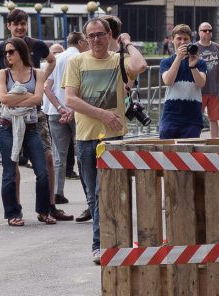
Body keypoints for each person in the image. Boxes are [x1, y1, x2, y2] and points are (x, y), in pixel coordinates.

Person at [64, 17, 147, 264]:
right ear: (85, 39)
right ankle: (109, 241)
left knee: (109, 192)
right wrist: (102, 114)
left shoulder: (118, 60)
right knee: (94, 196)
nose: (96, 40)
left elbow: (141, 65)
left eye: (100, 34)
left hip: (114, 139)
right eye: (91, 36)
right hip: (86, 137)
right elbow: (70, 99)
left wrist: (127, 43)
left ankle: (100, 244)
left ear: (109, 34)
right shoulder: (76, 61)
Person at [0, 8, 71, 221]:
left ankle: (48, 207)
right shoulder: (2, 50)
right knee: (12, 167)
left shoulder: (36, 45)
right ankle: (15, 210)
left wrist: (39, 81)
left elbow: (52, 61)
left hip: (34, 115)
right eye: (15, 23)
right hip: (10, 115)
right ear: (8, 26)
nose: (19, 27)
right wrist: (1, 81)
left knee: (47, 158)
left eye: (23, 23)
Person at [0, 37, 54, 226]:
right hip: (7, 126)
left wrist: (19, 97)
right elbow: (4, 99)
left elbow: (38, 99)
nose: (7, 55)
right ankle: (13, 213)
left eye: (11, 51)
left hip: (30, 127)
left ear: (21, 52)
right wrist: (25, 95)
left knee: (42, 171)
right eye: (6, 52)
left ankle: (43, 211)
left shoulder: (37, 73)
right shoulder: (3, 74)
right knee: (9, 172)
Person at [44, 32, 88, 208]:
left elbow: (47, 88)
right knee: (82, 153)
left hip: (56, 112)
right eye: (86, 41)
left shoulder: (55, 59)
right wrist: (71, 109)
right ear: (80, 42)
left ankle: (57, 192)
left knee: (58, 155)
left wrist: (60, 107)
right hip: (78, 112)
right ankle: (89, 195)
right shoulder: (83, 58)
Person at [160, 24, 207, 139]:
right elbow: (168, 81)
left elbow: (201, 83)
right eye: (179, 39)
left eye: (186, 39)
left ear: (190, 41)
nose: (182, 42)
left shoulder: (200, 62)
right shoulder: (166, 62)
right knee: (166, 153)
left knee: (191, 154)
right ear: (172, 40)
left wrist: (193, 66)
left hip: (192, 118)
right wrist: (178, 58)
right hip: (170, 116)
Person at [195, 22, 219, 138]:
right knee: (196, 119)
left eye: (210, 30)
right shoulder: (194, 47)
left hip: (215, 90)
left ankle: (215, 143)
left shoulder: (217, 47)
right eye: (204, 30)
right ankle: (195, 141)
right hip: (198, 90)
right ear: (199, 32)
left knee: (214, 119)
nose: (207, 32)